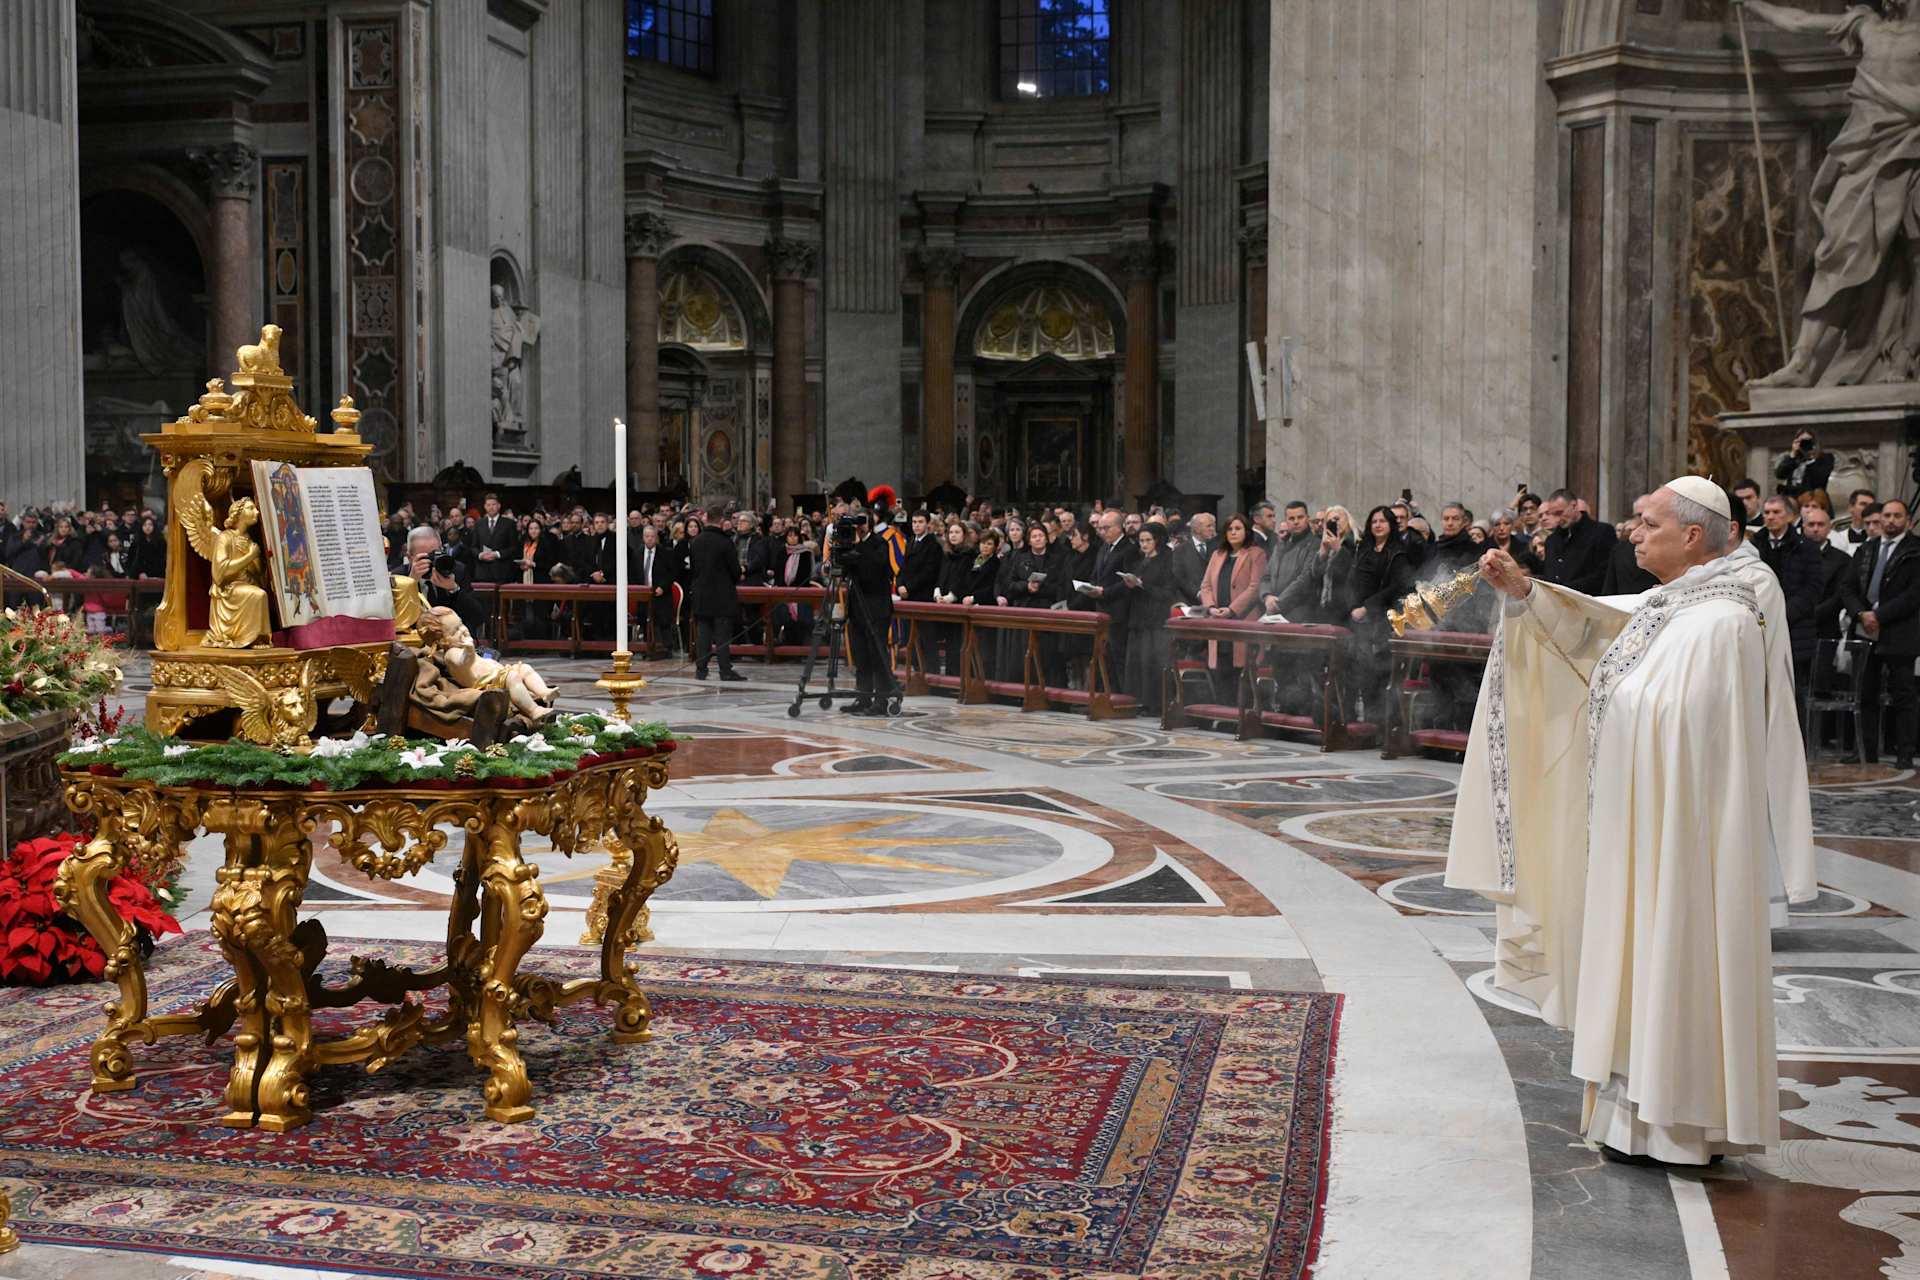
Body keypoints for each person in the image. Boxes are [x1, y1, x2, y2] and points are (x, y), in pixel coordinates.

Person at [1447, 475, 1815, 1166]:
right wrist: (1525, 593)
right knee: (1634, 957)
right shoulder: (1672, 605)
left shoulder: (1727, 619)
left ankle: (1680, 1124)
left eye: (1646, 523)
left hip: (1679, 842)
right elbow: (1597, 629)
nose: (1633, 533)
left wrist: (1619, 714)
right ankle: (1631, 1116)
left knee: (1673, 952)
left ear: (1693, 535)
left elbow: (1687, 727)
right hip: (1636, 826)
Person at [1840, 496, 1919, 767]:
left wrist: (1880, 615)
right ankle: (1866, 750)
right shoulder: (1867, 549)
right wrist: (1861, 614)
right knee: (1865, 692)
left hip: (1898, 631)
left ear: (1908, 521)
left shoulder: (1915, 550)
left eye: (1897, 516)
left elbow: (1913, 595)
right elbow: (1847, 587)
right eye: (1887, 516)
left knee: (1903, 695)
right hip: (1865, 629)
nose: (1890, 521)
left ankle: (1905, 753)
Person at [1345, 505, 1414, 721]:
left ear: (1391, 525)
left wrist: (1368, 607)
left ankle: (1384, 726)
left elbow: (1397, 586)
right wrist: (1353, 607)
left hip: (1384, 621)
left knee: (1381, 673)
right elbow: (1352, 582)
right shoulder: (1363, 549)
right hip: (1360, 621)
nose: (1377, 525)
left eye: (1382, 521)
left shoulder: (1399, 553)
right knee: (1363, 673)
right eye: (1374, 521)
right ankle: (1369, 722)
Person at [1757, 494, 1826, 703]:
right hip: (1761, 627)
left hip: (1796, 629)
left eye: (1776, 512)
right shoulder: (1756, 545)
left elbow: (1813, 589)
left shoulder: (1806, 547)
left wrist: (1781, 613)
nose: (1770, 517)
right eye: (1767, 513)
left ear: (1789, 516)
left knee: (1796, 694)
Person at [1197, 514, 1267, 702]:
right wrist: (1211, 607)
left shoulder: (1256, 553)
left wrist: (1232, 609)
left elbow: (1255, 587)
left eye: (1238, 528)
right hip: (1218, 621)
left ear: (1246, 531)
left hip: (1242, 620)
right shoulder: (1217, 554)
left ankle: (1241, 717)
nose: (1234, 532)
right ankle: (1223, 715)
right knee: (1221, 669)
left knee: (1241, 671)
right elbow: (1205, 586)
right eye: (1230, 529)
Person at [838, 513, 898, 715]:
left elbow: (876, 570)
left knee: (877, 655)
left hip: (876, 608)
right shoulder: (851, 544)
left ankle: (881, 701)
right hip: (857, 608)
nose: (857, 528)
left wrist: (859, 544)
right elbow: (843, 568)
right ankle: (863, 697)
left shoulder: (879, 543)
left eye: (860, 524)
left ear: (868, 525)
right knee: (861, 656)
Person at [1124, 522, 1179, 714]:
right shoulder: (1141, 562)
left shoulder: (1168, 561)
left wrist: (1143, 585)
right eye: (1141, 541)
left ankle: (1156, 704)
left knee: (1154, 662)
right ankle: (1140, 701)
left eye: (1148, 540)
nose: (1144, 544)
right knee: (1139, 661)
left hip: (1157, 618)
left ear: (1157, 540)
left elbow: (1168, 592)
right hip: (1139, 617)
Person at [688, 513, 747, 681]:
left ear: (706, 520)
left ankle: (701, 670)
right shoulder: (725, 542)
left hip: (702, 594)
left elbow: (694, 569)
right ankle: (725, 670)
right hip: (722, 595)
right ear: (721, 522)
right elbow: (735, 571)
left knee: (704, 633)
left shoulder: (696, 541)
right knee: (722, 635)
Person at [405, 524, 487, 638]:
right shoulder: (400, 577)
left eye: (435, 555)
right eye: (424, 558)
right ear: (409, 558)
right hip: (414, 642)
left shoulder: (456, 570)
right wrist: (409, 585)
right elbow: (396, 622)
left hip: (452, 640)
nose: (431, 562)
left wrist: (454, 589)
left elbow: (477, 617)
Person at [1540, 488, 1616, 594]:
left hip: (1589, 600)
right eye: (1553, 514)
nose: (1557, 519)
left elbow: (1605, 573)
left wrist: (1566, 589)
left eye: (1560, 513)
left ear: (1574, 506)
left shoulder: (1601, 532)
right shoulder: (1551, 540)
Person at [1259, 500, 1320, 620]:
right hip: (1274, 610)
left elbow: (1304, 579)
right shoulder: (1280, 545)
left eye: (1300, 517)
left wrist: (1278, 603)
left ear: (1307, 518)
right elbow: (1266, 577)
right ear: (1286, 521)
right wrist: (1267, 596)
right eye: (1291, 518)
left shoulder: (1315, 544)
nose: (1296, 522)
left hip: (1301, 612)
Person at [1601, 498, 1660, 595]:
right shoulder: (1619, 550)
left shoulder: (1668, 545)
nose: (1643, 519)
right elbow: (1610, 587)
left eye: (1648, 514)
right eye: (1639, 515)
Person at [1774, 430, 1834, 503]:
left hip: (1814, 500)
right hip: (1792, 501)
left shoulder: (1826, 458)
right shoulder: (1792, 459)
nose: (1805, 444)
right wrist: (1793, 455)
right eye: (1801, 441)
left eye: (1808, 441)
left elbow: (1819, 480)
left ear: (1815, 443)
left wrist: (1810, 458)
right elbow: (1780, 475)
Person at [471, 493, 517, 585]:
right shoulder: (479, 524)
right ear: (484, 506)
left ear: (499, 506)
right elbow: (473, 547)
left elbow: (514, 547)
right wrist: (480, 555)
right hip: (482, 572)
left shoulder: (509, 524)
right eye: (488, 505)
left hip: (502, 572)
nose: (491, 507)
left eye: (493, 504)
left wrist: (497, 554)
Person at [1170, 511, 1215, 605]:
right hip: (1190, 602)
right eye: (1209, 526)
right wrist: (1197, 593)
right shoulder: (1180, 551)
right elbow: (1179, 578)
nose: (1212, 529)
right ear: (1197, 529)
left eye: (1213, 526)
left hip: (1215, 601)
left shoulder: (1218, 548)